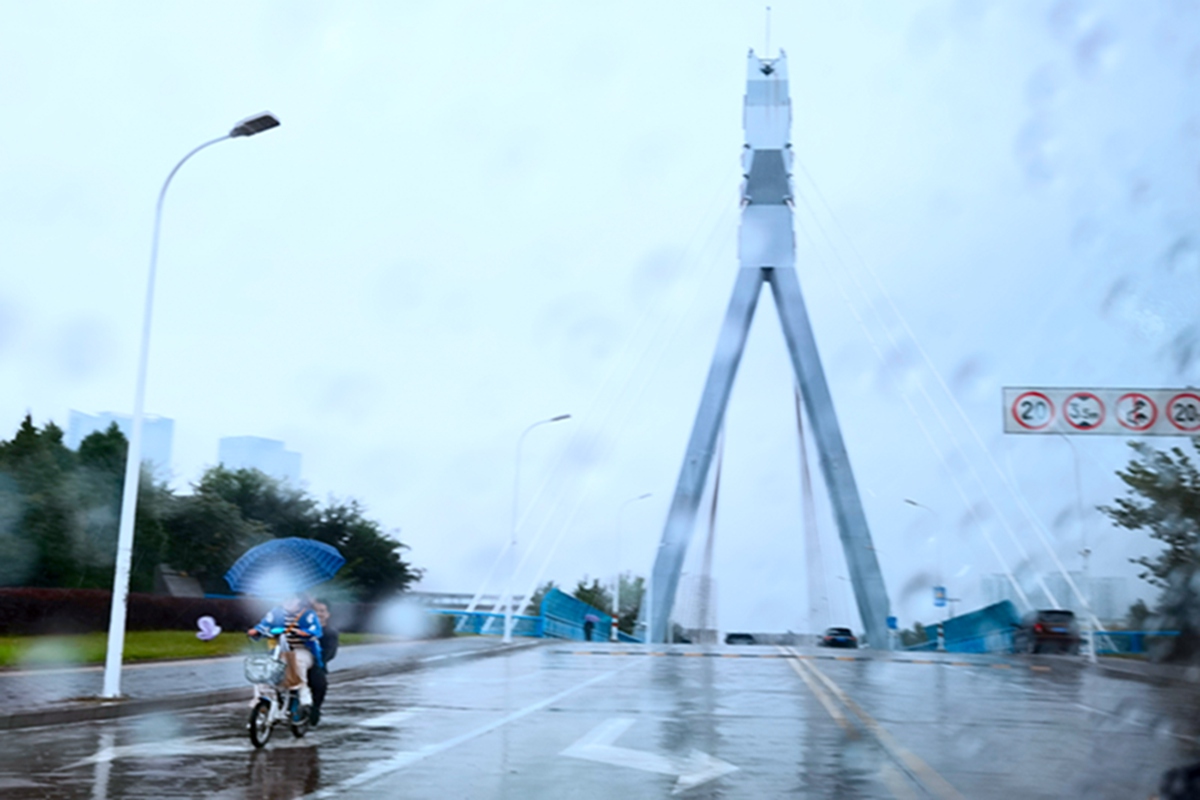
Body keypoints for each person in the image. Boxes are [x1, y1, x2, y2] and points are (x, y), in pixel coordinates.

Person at [247, 593, 323, 717]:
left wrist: (303, 632)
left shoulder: (308, 614)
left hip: (301, 649)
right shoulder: (276, 612)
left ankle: (304, 693)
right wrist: (256, 631)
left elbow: (315, 630)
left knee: (298, 662)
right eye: (285, 599)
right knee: (263, 667)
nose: (288, 602)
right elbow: (265, 624)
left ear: (299, 600)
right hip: (279, 650)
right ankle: (261, 697)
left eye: (292, 599)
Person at [307, 597, 339, 727]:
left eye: (322, 611)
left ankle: (315, 709)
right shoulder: (302, 628)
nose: (318, 614)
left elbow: (330, 653)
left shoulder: (330, 632)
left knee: (319, 685)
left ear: (327, 614)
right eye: (315, 611)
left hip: (316, 666)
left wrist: (316, 660)